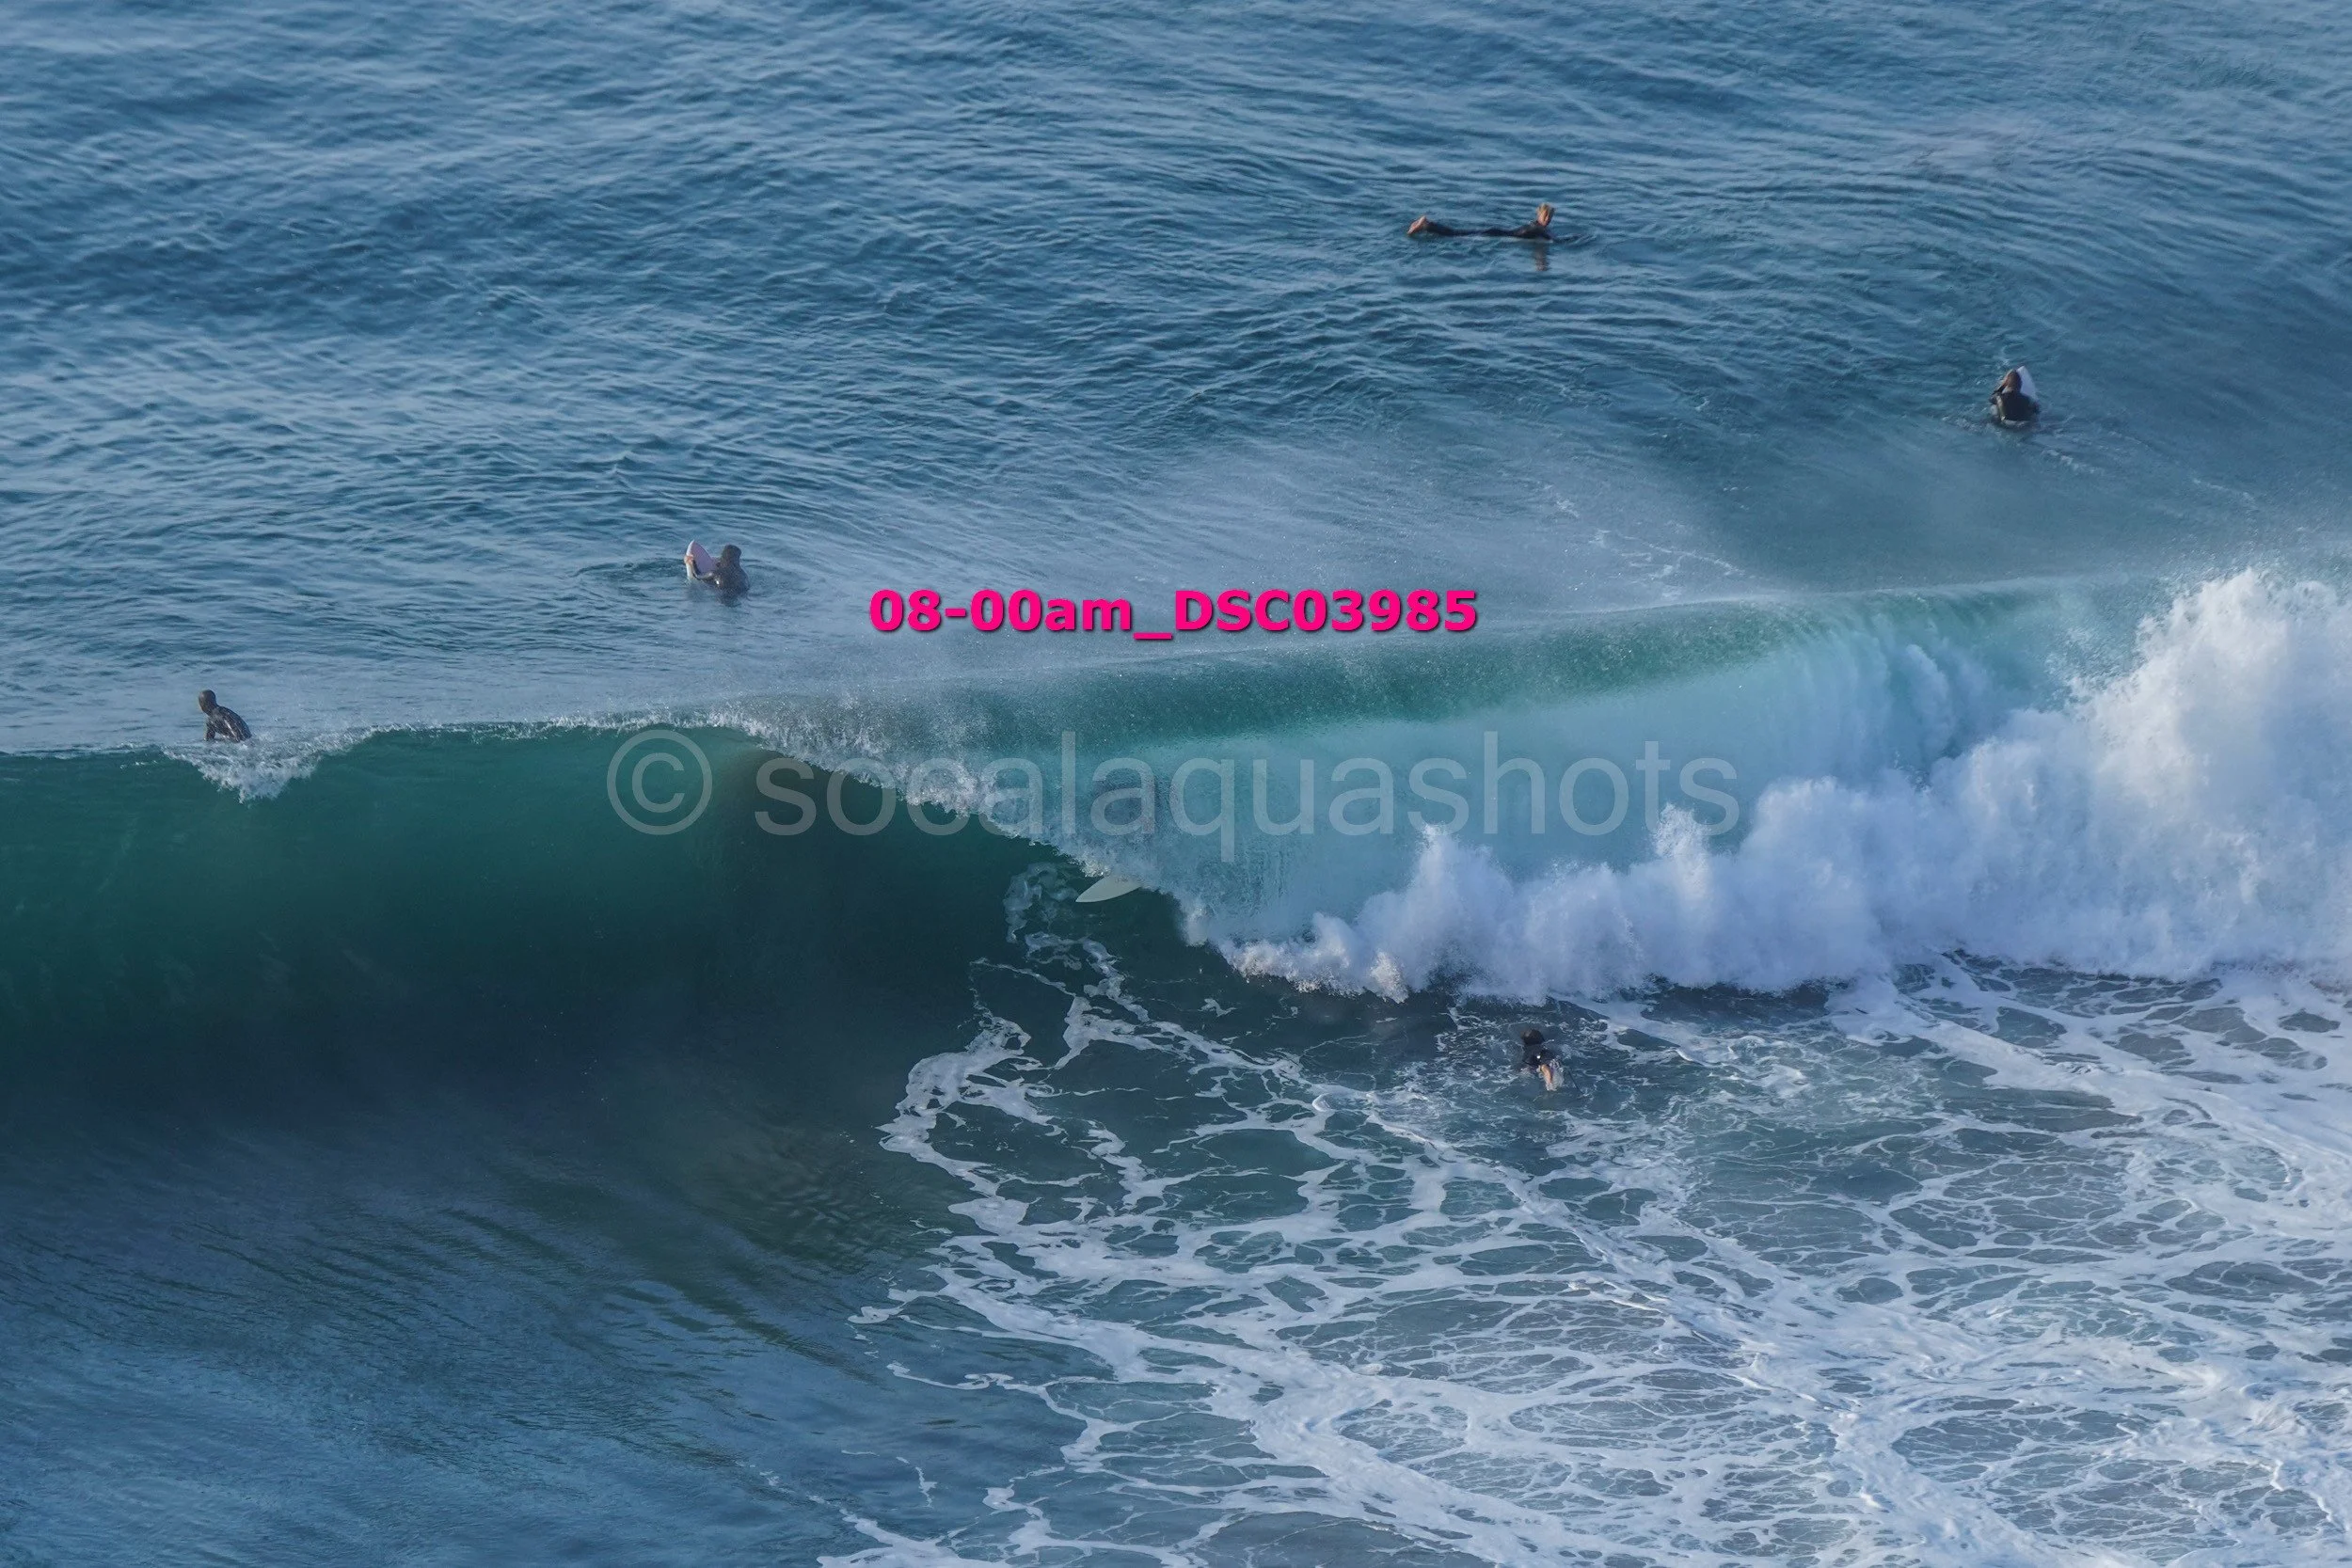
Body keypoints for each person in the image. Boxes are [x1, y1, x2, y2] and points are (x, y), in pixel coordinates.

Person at [1409, 202, 1554, 241]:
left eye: (1549, 217)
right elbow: (1552, 239)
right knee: (1456, 235)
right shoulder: (1538, 229)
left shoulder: (1535, 226)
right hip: (1496, 234)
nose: (1547, 220)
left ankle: (1428, 224)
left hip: (1497, 232)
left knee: (1457, 234)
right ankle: (1427, 225)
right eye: (1545, 216)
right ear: (1539, 215)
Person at [1521, 1027, 1562, 1091]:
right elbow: (1544, 1066)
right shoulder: (1544, 1050)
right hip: (1541, 1063)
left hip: (1532, 1065)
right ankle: (1549, 1084)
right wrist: (1550, 1085)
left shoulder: (1527, 1051)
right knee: (1545, 1066)